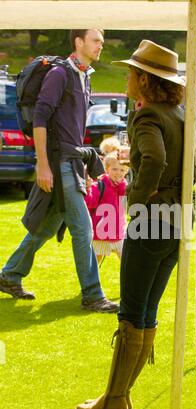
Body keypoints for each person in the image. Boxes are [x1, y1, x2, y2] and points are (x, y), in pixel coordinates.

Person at [76, 39, 185, 409]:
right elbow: (179, 164)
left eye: (130, 72)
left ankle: (115, 399)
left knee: (132, 313)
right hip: (177, 224)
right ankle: (119, 396)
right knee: (146, 312)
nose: (126, 77)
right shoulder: (180, 114)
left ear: (144, 79)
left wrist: (136, 200)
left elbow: (155, 158)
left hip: (152, 222)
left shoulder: (149, 115)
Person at [0, 29, 119, 313]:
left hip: (72, 162)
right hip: (57, 162)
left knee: (46, 227)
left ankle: (9, 275)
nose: (101, 45)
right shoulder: (60, 74)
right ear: (79, 43)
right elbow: (40, 118)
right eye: (96, 40)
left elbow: (74, 130)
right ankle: (92, 294)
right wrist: (42, 164)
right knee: (83, 229)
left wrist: (84, 167)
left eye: (101, 40)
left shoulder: (85, 76)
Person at [85, 154, 128, 265]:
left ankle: (133, 283)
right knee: (93, 267)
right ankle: (91, 282)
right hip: (100, 236)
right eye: (114, 169)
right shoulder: (98, 186)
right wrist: (88, 189)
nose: (118, 172)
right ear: (107, 169)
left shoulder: (124, 187)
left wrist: (122, 185)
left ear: (126, 171)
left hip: (119, 234)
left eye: (122, 170)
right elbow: (89, 203)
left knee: (128, 264)